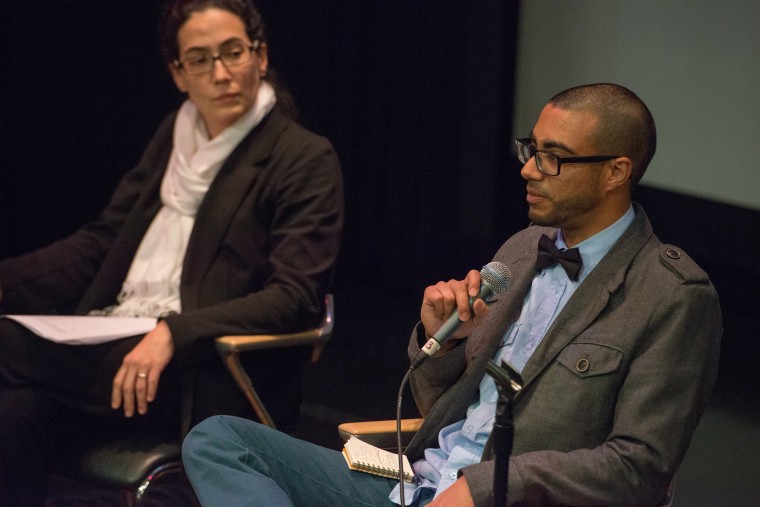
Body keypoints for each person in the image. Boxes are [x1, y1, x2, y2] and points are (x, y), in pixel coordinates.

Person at [181, 82, 722, 506]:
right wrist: (444, 341)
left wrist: (487, 486)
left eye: (553, 156)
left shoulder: (672, 296)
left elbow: (640, 468)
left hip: (498, 498)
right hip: (417, 483)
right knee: (221, 439)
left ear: (615, 173)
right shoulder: (523, 247)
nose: (528, 168)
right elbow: (435, 406)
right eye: (531, 148)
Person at [0, 0, 343, 505]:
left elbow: (296, 297)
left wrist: (174, 331)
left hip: (198, 369)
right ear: (179, 74)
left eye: (233, 53)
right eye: (201, 60)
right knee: (12, 417)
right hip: (116, 348)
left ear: (261, 56)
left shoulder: (302, 157)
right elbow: (102, 243)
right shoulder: (174, 138)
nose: (221, 73)